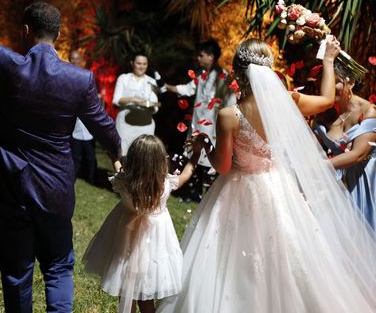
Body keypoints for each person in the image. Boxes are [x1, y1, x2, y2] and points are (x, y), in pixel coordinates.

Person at [159, 38, 376, 312]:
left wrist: (205, 146)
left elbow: (223, 167)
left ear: (239, 72)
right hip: (278, 187)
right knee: (290, 252)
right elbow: (326, 100)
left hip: (236, 189)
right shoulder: (287, 102)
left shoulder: (229, 115)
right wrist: (329, 60)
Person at [0, 0, 122, 313]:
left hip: (12, 188)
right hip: (55, 190)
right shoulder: (79, 80)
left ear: (25, 31)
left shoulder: (4, 64)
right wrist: (119, 153)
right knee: (58, 266)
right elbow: (104, 126)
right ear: (58, 35)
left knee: (16, 271)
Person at [83, 135, 200, 313]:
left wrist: (114, 156)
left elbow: (118, 166)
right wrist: (196, 155)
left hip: (125, 240)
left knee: (125, 287)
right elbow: (186, 174)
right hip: (154, 241)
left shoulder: (124, 181)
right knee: (146, 295)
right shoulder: (165, 183)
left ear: (133, 159)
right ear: (161, 161)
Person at [164, 39, 236, 200]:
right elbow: (188, 89)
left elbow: (231, 104)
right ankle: (192, 193)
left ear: (211, 57)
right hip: (197, 124)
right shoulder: (200, 75)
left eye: (201, 55)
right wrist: (167, 86)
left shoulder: (224, 78)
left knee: (211, 160)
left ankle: (210, 197)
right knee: (193, 156)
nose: (197, 58)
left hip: (214, 128)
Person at [313, 68, 376, 229]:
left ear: (351, 82)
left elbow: (358, 154)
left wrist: (319, 167)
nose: (330, 87)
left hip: (364, 183)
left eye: (336, 81)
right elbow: (314, 148)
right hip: (333, 187)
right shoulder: (323, 114)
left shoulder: (369, 111)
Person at [113, 53, 159, 154]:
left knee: (144, 156)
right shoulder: (123, 78)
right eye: (139, 63)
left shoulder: (151, 81)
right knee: (123, 155)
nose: (141, 66)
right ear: (132, 63)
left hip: (145, 125)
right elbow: (116, 100)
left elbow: (155, 106)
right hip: (125, 125)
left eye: (144, 64)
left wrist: (150, 105)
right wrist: (133, 99)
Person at [69, 49, 96, 182]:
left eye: (77, 58)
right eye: (72, 58)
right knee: (75, 154)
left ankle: (91, 176)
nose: (74, 61)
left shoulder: (87, 76)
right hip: (72, 122)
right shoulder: (65, 75)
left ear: (81, 60)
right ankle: (73, 176)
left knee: (90, 154)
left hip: (86, 120)